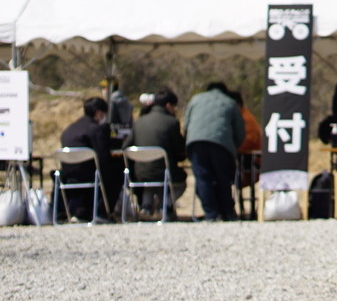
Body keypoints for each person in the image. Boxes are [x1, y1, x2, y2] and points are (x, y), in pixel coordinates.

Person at [185, 81, 245, 221]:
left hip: (196, 142)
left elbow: (187, 125)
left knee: (202, 177)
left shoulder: (195, 100)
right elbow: (240, 131)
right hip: (222, 144)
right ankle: (227, 212)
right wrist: (234, 147)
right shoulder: (230, 103)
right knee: (222, 177)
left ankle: (211, 213)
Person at [130, 89, 187, 220]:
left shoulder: (139, 121)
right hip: (164, 172)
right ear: (168, 105)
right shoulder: (172, 122)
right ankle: (164, 205)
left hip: (140, 173)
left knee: (150, 178)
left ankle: (146, 207)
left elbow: (126, 146)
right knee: (176, 178)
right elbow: (180, 150)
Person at [58, 97, 119, 222]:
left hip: (67, 173)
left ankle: (81, 211)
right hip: (87, 174)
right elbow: (103, 156)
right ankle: (102, 212)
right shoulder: (95, 129)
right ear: (98, 113)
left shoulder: (70, 129)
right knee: (116, 174)